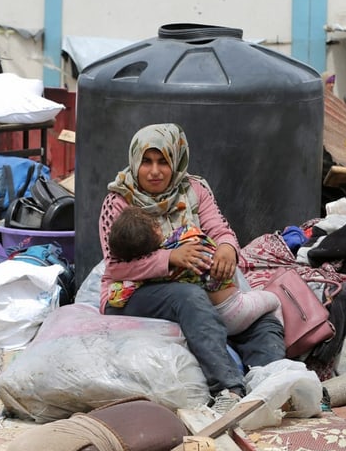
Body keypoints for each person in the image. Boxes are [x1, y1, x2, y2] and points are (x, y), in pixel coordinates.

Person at [99, 122, 286, 414]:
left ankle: (273, 383)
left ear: (177, 160)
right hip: (134, 293)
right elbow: (116, 266)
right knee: (188, 297)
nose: (155, 171)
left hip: (196, 283)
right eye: (146, 162)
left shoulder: (194, 189)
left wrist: (226, 250)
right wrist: (170, 259)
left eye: (163, 161)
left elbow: (220, 229)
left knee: (258, 320)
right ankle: (228, 389)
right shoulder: (119, 200)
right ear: (135, 162)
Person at [107, 205, 280, 335]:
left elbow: (116, 296)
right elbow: (113, 269)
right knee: (274, 300)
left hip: (203, 320)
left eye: (162, 162)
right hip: (234, 309)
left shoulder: (146, 275)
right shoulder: (186, 240)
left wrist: (227, 246)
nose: (155, 172)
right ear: (156, 229)